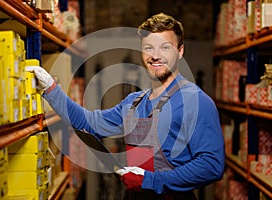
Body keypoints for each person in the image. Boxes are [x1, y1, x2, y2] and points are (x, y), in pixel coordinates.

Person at [27, 13, 225, 200]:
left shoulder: (196, 101)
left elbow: (211, 166)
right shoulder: (134, 102)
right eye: (148, 48)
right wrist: (52, 89)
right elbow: (89, 122)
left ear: (180, 51)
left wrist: (150, 180)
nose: (155, 56)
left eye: (165, 47)